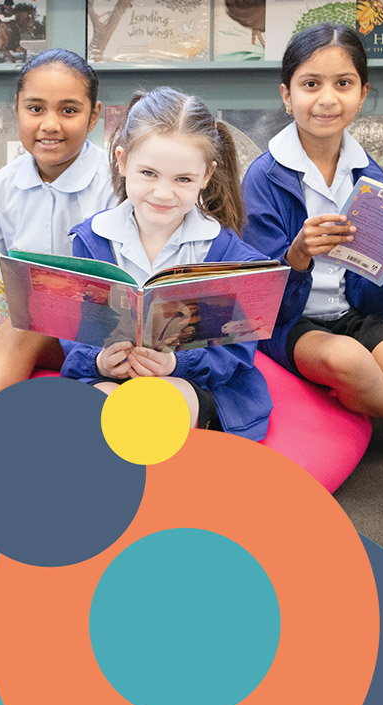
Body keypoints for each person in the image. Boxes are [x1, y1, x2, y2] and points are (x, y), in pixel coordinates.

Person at [61, 86, 275, 440]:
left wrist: (176, 363)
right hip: (110, 377)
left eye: (183, 180)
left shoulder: (228, 254)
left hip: (194, 381)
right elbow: (76, 330)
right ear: (122, 160)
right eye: (148, 173)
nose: (163, 193)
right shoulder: (92, 239)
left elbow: (236, 350)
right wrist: (100, 361)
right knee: (95, 413)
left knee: (158, 407)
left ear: (206, 177)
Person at [242, 23, 383, 450]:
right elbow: (258, 304)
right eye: (311, 83)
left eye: (343, 83)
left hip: (355, 313)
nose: (327, 98)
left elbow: (372, 298)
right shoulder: (263, 178)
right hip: (291, 325)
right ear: (286, 95)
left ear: (362, 94)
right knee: (348, 360)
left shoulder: (371, 178)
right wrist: (297, 256)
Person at [0, 48, 115, 432]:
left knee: (22, 325)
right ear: (16, 109)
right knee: (11, 321)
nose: (50, 124)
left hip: (94, 338)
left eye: (68, 110)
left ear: (94, 115)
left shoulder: (116, 184)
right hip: (12, 322)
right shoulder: (0, 187)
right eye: (35, 109)